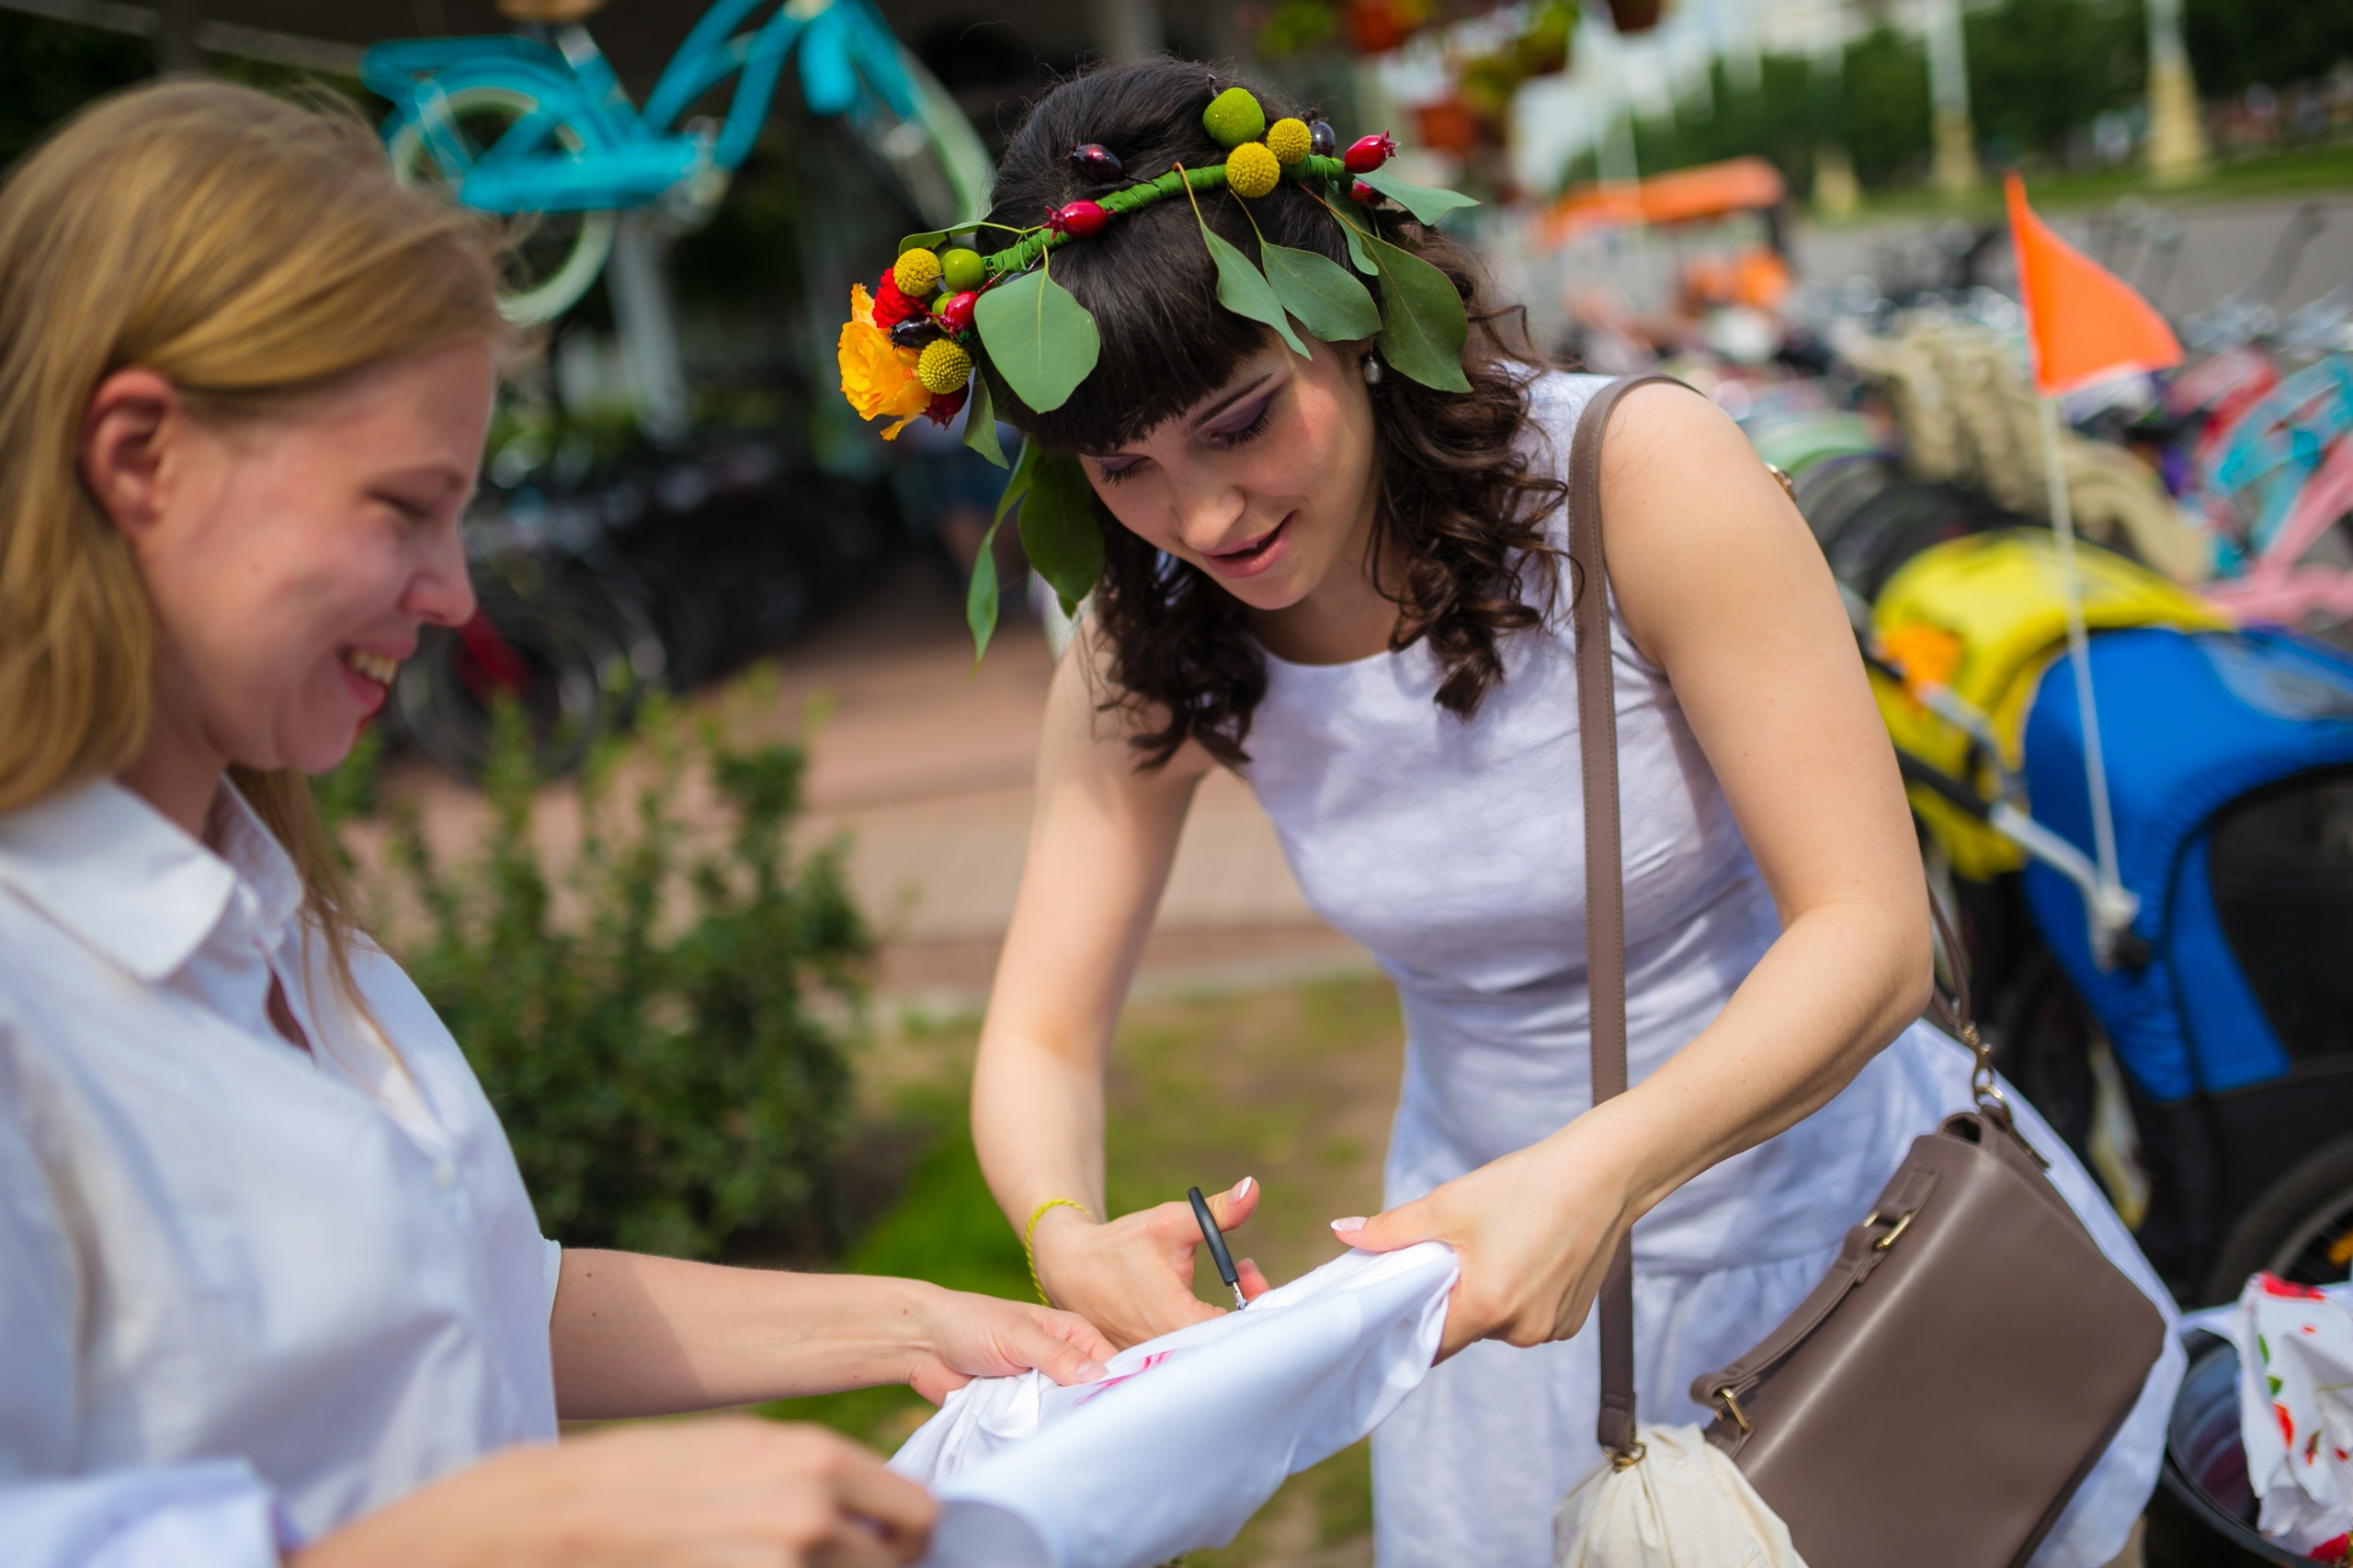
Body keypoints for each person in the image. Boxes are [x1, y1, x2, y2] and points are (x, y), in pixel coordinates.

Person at [934, 62, 2183, 1567]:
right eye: (1120, 468)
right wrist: (1065, 1233)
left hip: (1846, 1237)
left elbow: (1871, 935)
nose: (1202, 518)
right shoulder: (1150, 633)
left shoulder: (1632, 476)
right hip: (1495, 1302)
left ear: (1350, 309)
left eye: (1241, 422)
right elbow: (1044, 1032)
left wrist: (1601, 1171)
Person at [0, 81, 1112, 1568]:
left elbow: (483, 1294)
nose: (457, 594)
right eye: (403, 507)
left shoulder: (268, 904)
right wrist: (562, 1522)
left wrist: (935, 1323)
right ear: (138, 457)